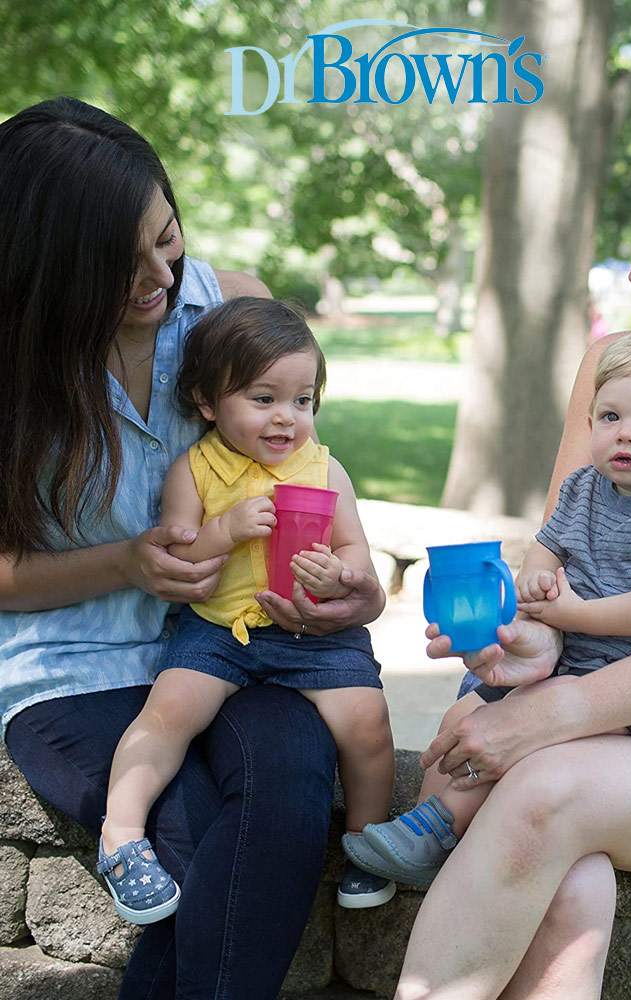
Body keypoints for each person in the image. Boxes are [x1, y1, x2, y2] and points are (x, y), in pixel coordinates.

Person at [0, 97, 385, 1000]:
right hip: (72, 663)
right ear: (45, 268)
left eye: (164, 237)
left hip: (236, 640)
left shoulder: (230, 309)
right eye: (117, 261)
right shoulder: (16, 370)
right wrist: (127, 562)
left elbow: (315, 480)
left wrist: (355, 593)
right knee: (188, 845)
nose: (156, 276)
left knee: (292, 787)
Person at [387, 138, 631, 1000]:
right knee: (565, 880)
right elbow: (559, 567)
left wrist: (550, 717)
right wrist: (519, 648)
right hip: (584, 676)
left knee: (542, 792)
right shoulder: (617, 370)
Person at [343, 331, 631, 886]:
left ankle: (438, 827)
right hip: (558, 662)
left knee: (515, 747)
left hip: (622, 692)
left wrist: (572, 615)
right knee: (460, 718)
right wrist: (534, 587)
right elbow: (546, 551)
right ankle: (418, 841)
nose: (627, 434)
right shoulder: (584, 489)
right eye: (611, 416)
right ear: (589, 424)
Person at [99, 296, 396, 919]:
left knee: (366, 724)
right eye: (263, 399)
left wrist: (341, 575)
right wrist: (225, 529)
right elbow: (183, 560)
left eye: (303, 401)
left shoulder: (325, 470)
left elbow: (357, 552)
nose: (286, 419)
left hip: (316, 635)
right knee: (168, 713)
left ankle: (368, 844)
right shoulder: (197, 470)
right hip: (220, 630)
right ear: (208, 403)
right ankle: (121, 837)